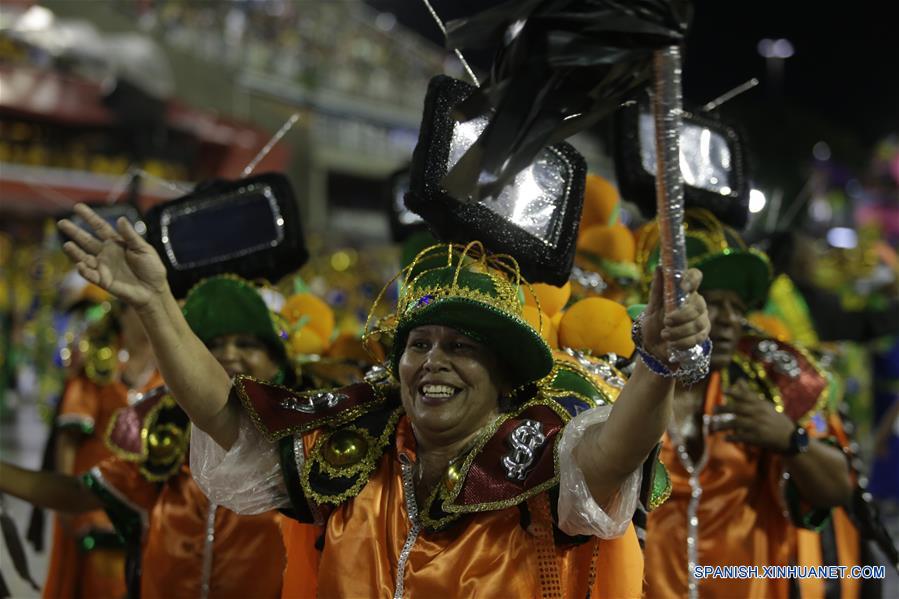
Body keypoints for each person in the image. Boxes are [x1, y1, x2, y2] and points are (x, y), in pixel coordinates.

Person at [57, 203, 711, 597]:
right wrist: (155, 303)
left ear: (504, 374)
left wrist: (653, 364)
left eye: (459, 346)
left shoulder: (537, 453)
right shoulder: (359, 446)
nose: (431, 360)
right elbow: (231, 417)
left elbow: (612, 456)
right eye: (418, 342)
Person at [0, 275, 310, 599]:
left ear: (276, 358)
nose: (228, 354)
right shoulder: (169, 439)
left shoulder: (300, 450)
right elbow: (80, 493)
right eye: (213, 345)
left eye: (247, 344)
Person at [638, 209, 854, 599]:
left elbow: (839, 488)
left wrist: (791, 440)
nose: (728, 321)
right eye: (714, 303)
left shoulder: (761, 389)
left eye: (738, 308)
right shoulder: (623, 387)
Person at [44, 296, 160, 599]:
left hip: (152, 503)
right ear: (121, 314)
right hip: (96, 499)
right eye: (140, 307)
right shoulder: (99, 362)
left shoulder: (172, 368)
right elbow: (68, 437)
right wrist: (66, 502)